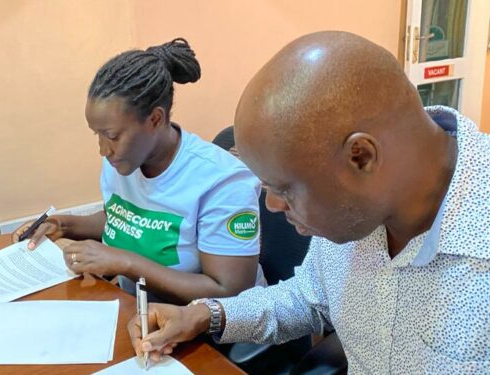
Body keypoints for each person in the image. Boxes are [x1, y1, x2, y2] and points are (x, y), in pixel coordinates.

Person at [128, 31, 490, 373]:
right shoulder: (358, 212)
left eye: (284, 189)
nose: (271, 205)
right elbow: (309, 297)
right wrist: (205, 314)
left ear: (361, 157)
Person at [13, 38, 264, 304]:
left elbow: (229, 292)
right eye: (97, 134)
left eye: (111, 135)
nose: (103, 149)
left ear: (155, 119)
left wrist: (124, 263)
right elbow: (125, 220)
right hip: (138, 308)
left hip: (211, 334)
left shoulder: (222, 181)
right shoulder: (125, 158)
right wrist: (62, 225)